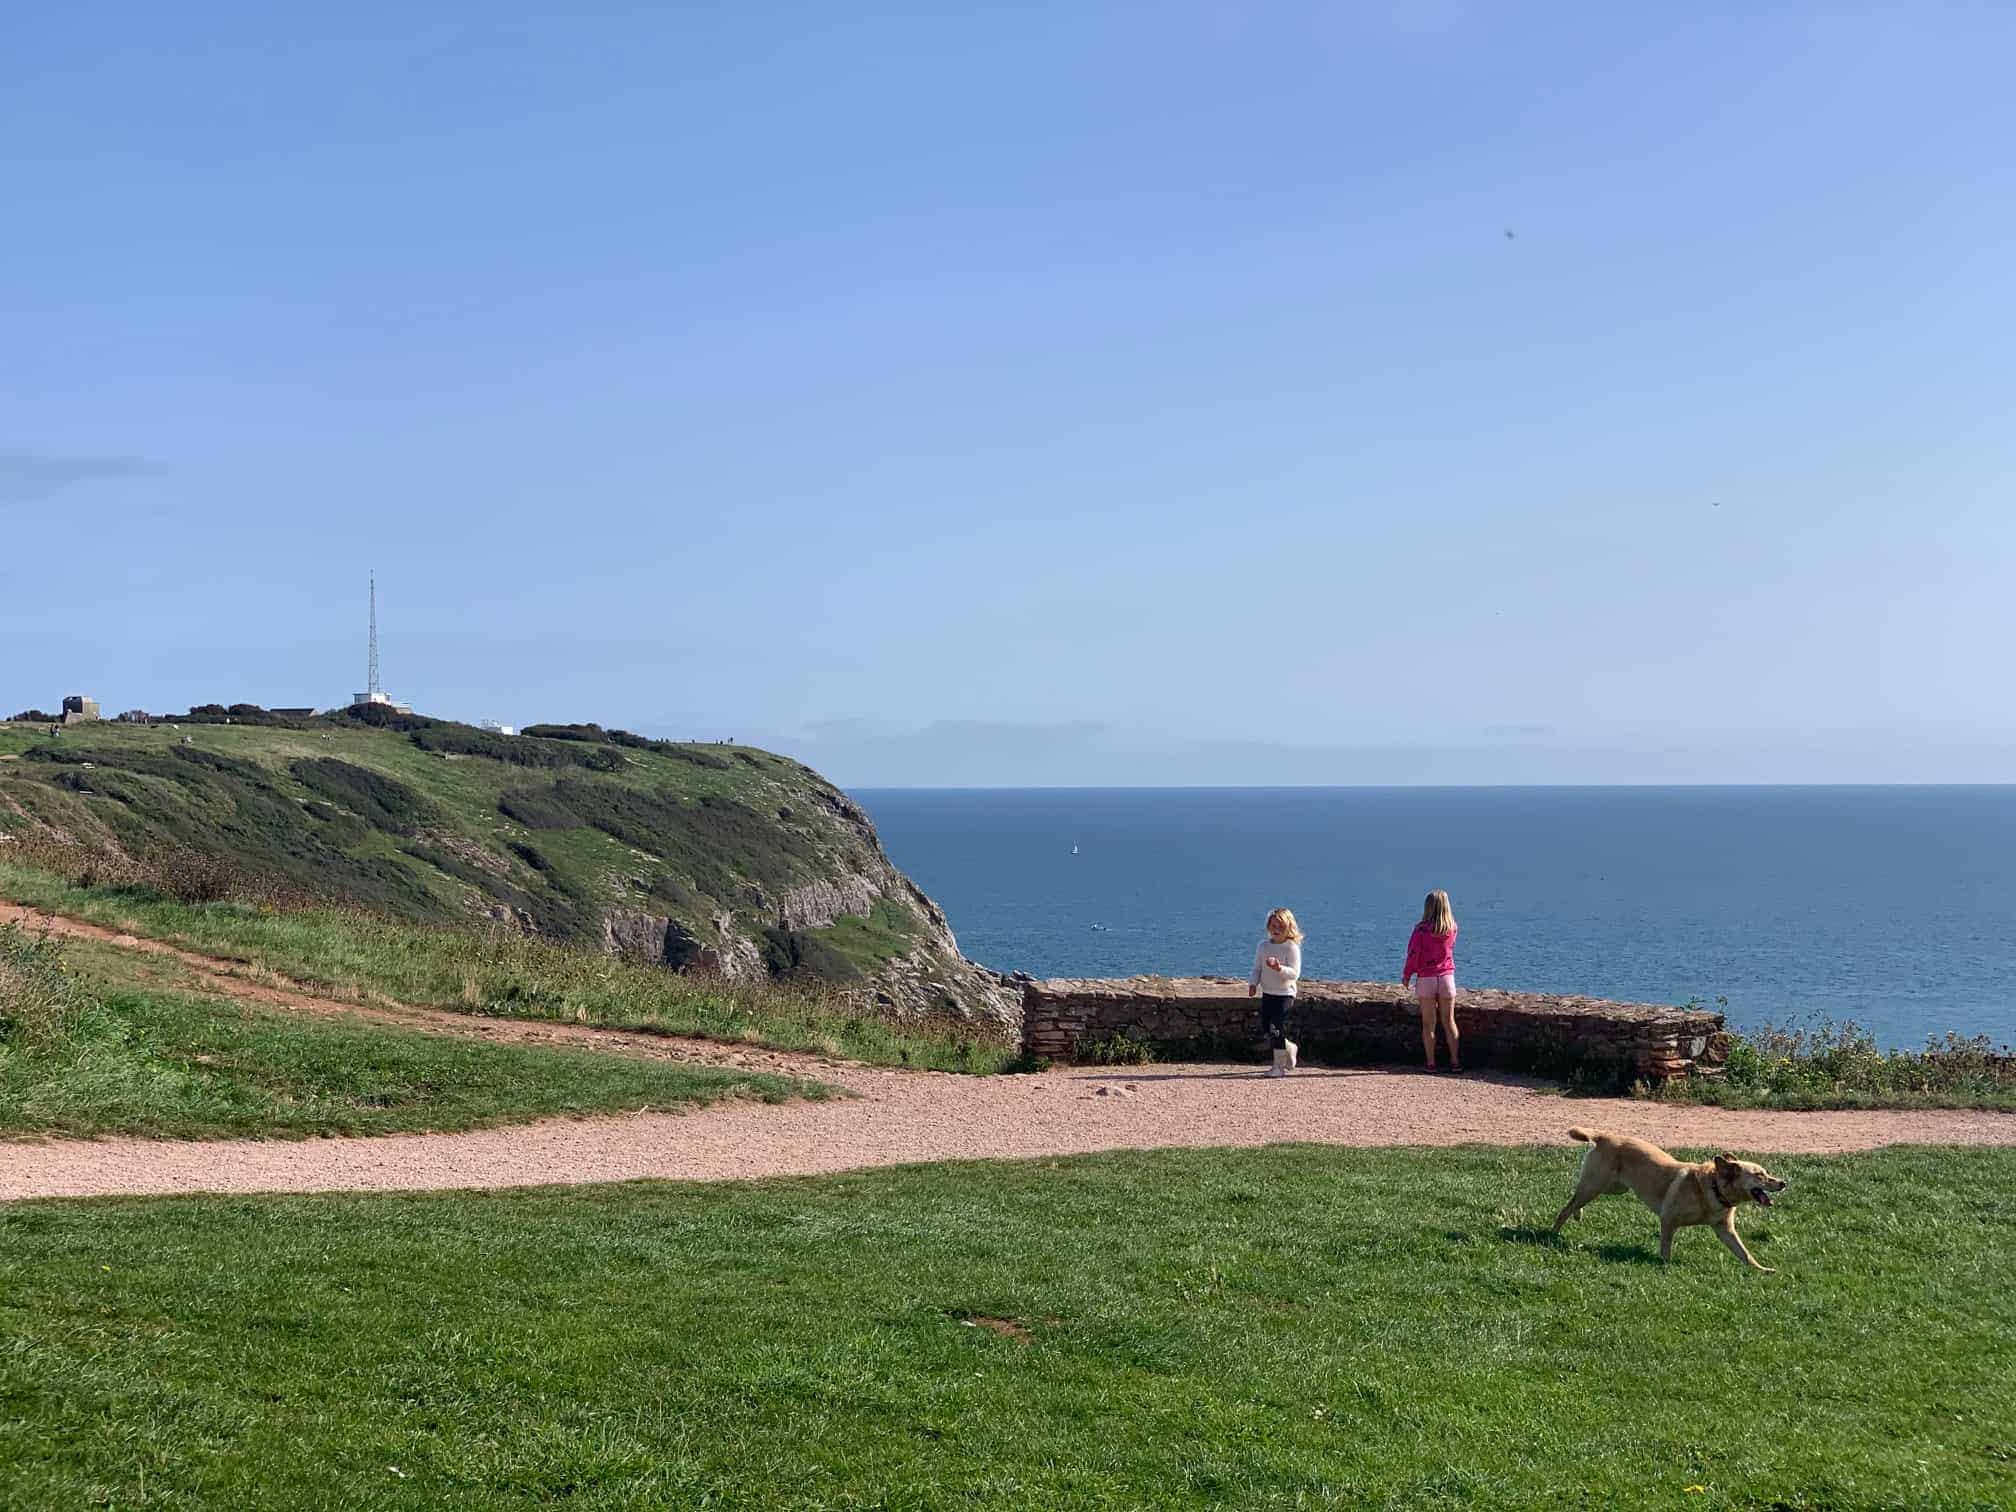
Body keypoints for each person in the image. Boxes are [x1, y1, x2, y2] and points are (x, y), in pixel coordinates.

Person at [1402, 889, 1460, 1071]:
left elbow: (1413, 954)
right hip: (1446, 978)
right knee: (1449, 1021)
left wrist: (1407, 975)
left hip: (1426, 978)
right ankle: (1455, 1062)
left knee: (1429, 1024)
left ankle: (1431, 1063)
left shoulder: (1420, 930)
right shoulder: (1452, 928)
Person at [1247, 907, 1303, 1077]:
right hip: (1268, 993)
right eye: (1273, 926)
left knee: (1276, 1028)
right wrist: (1253, 984)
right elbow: (1257, 968)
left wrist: (1279, 968)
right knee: (1267, 1027)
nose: (1276, 929)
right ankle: (1288, 1047)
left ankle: (1278, 1067)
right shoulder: (1263, 946)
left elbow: (1294, 973)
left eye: (1280, 926)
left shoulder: (1291, 948)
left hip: (1285, 994)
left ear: (1289, 927)